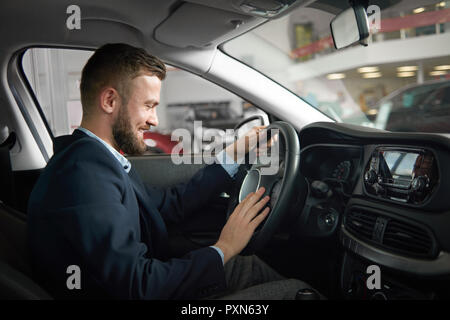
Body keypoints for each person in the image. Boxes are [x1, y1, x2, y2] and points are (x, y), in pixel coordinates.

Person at [27, 43, 317, 299]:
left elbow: (168, 205)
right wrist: (225, 247)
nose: (154, 120)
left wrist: (232, 155)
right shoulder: (84, 176)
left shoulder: (97, 161)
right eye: (148, 106)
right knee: (295, 293)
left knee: (246, 265)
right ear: (110, 101)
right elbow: (138, 286)